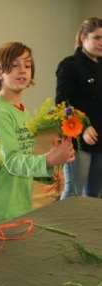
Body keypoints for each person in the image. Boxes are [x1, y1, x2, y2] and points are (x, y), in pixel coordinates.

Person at [0, 42, 75, 227]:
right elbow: (12, 162)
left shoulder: (22, 111)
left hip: (19, 204)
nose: (22, 70)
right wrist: (48, 161)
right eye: (14, 65)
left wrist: (45, 174)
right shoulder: (0, 114)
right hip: (0, 207)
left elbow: (23, 158)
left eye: (27, 65)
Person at [55, 17, 102, 199]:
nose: (101, 43)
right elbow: (62, 105)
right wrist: (82, 127)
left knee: (94, 196)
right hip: (79, 143)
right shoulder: (69, 66)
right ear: (83, 38)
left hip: (101, 141)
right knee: (72, 195)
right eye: (97, 37)